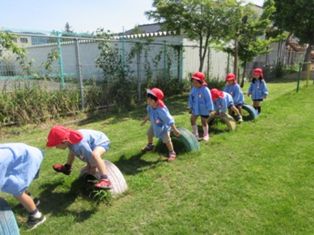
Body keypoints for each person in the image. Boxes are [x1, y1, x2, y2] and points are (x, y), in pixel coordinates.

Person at [46, 125, 112, 189]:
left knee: (95, 155)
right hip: (92, 141)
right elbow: (74, 152)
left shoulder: (80, 145)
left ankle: (105, 180)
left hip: (101, 141)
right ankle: (67, 167)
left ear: (64, 141)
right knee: (72, 152)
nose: (56, 147)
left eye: (56, 145)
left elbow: (91, 158)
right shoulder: (70, 139)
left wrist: (92, 170)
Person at [0, 143, 46, 230]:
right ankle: (32, 202)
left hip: (29, 157)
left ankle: (37, 216)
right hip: (26, 154)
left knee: (17, 190)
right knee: (14, 182)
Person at [141, 88, 180, 161]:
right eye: (148, 99)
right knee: (149, 133)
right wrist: (145, 120)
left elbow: (169, 120)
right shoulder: (150, 106)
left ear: (156, 101)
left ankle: (172, 152)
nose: (148, 101)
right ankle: (150, 145)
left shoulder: (161, 110)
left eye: (150, 99)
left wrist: (174, 129)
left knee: (167, 140)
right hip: (154, 125)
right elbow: (149, 113)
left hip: (163, 127)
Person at [188, 71, 214, 141]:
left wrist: (210, 109)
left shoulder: (205, 90)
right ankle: (195, 134)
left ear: (201, 82)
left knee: (203, 121)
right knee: (192, 119)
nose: (194, 84)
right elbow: (190, 98)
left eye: (196, 83)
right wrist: (190, 107)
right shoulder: (193, 89)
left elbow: (209, 100)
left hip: (204, 108)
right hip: (195, 108)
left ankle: (206, 134)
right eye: (193, 82)